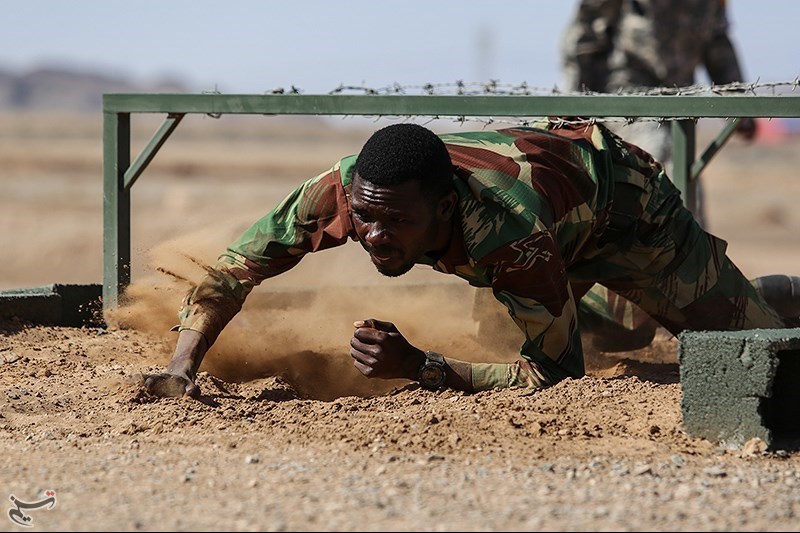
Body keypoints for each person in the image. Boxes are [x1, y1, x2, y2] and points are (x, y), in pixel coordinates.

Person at [144, 121, 798, 399]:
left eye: (396, 223)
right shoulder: (349, 188)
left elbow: (556, 377)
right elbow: (233, 269)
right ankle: (630, 303)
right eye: (366, 217)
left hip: (630, 214)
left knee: (737, 340)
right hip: (555, 217)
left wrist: (421, 365)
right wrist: (181, 367)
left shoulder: (506, 235)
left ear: (445, 209)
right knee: (614, 326)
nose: (373, 235)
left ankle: (760, 294)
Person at [555, 0, 761, 351]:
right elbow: (587, 31)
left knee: (686, 194)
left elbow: (716, 40)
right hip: (625, 90)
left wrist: (738, 100)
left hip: (679, 95)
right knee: (663, 170)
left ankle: (691, 300)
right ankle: (630, 308)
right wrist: (575, 100)